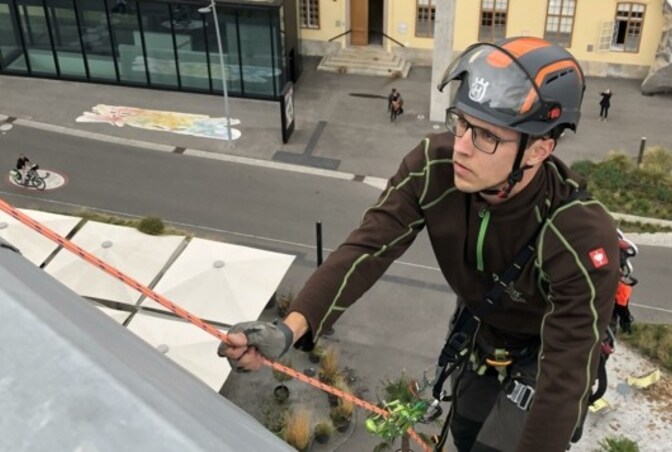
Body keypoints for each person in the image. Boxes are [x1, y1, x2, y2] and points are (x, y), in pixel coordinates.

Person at [218, 37, 619, 452]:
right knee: (464, 430)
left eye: (486, 137)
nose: (461, 146)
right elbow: (367, 248)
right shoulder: (434, 166)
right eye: (461, 123)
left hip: (543, 350)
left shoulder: (578, 235)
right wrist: (287, 330)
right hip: (483, 327)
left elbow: (566, 374)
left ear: (539, 150)